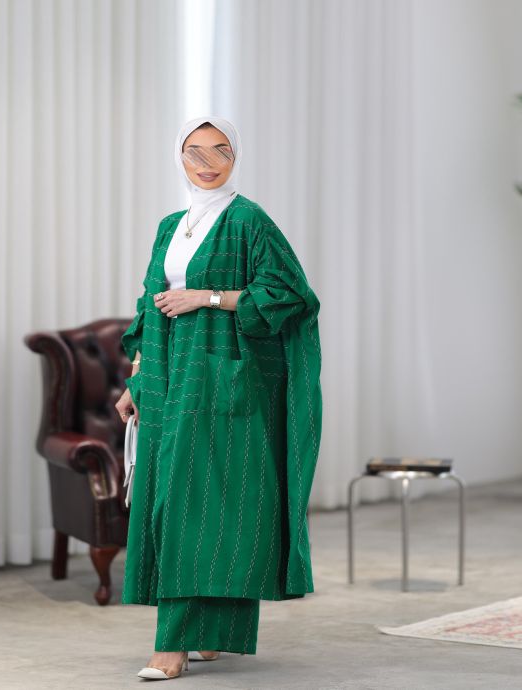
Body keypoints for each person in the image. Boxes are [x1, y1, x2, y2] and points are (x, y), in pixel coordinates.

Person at [115, 115, 322, 681]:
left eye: (220, 150)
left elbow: (289, 293)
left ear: (236, 156)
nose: (206, 163)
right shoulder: (170, 226)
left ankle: (172, 644)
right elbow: (149, 303)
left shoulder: (250, 220)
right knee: (183, 504)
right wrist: (136, 380)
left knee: (206, 508)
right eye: (194, 151)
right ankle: (211, 635)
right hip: (169, 381)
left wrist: (206, 297)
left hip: (225, 384)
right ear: (178, 157)